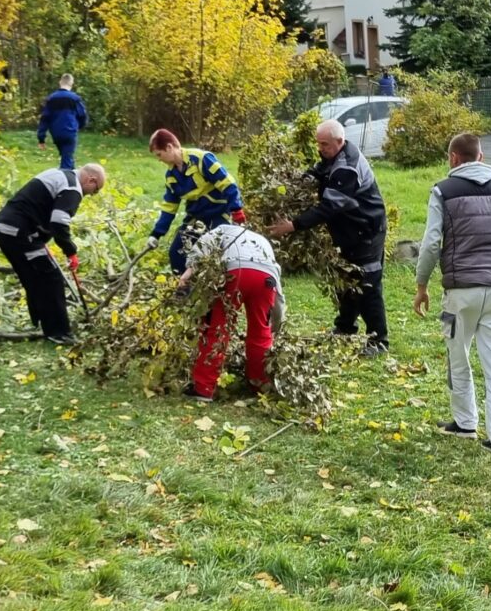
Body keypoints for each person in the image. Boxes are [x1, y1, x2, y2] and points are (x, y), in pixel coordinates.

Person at [412, 133, 491, 456]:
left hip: (460, 293)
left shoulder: (443, 190)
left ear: (453, 158)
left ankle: (465, 423)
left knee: (459, 357)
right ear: (480, 158)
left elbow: (429, 245)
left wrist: (422, 285)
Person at [267, 119, 389, 356]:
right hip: (349, 230)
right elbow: (319, 170)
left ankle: (379, 340)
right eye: (318, 143)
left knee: (367, 284)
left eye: (324, 144)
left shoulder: (347, 167)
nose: (320, 148)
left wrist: (292, 225)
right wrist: (299, 183)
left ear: (339, 141)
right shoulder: (335, 154)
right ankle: (345, 328)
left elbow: (328, 208)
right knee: (345, 279)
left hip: (366, 230)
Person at [0, 164, 106, 344]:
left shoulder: (61, 174)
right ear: (91, 180)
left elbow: (40, 208)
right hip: (19, 232)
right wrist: (71, 252)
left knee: (32, 275)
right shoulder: (72, 189)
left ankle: (39, 322)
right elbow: (59, 222)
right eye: (95, 191)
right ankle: (58, 333)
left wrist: (41, 239)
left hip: (5, 228)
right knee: (50, 277)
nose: (91, 194)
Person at [179, 224, 283, 402]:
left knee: (217, 327)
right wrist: (277, 323)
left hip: (236, 273)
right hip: (267, 279)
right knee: (261, 331)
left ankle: (203, 388)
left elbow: (198, 256)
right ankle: (259, 384)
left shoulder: (219, 231)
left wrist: (184, 279)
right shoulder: (262, 241)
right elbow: (278, 295)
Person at [146, 128, 246, 274]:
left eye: (159, 154)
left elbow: (228, 184)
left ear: (169, 147)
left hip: (218, 215)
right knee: (177, 252)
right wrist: (156, 234)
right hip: (196, 218)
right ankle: (183, 288)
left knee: (217, 252)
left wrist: (237, 211)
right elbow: (169, 208)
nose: (159, 159)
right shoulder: (171, 176)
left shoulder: (202, 159)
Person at [37, 74, 89, 170]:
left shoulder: (51, 98)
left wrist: (41, 137)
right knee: (67, 160)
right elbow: (83, 115)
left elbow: (44, 118)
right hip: (70, 132)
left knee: (67, 157)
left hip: (56, 133)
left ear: (60, 82)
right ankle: (65, 181)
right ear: (71, 83)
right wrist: (79, 126)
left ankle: (75, 179)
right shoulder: (74, 98)